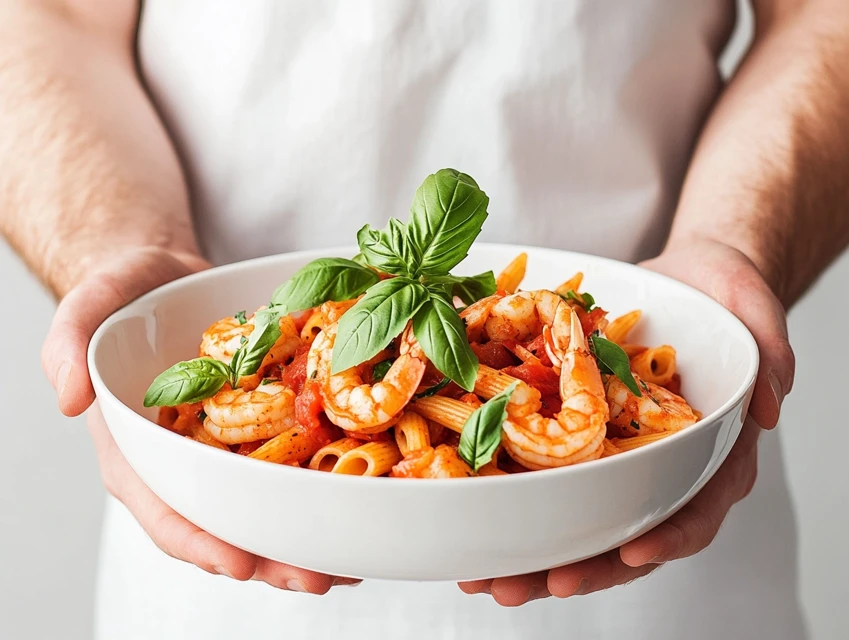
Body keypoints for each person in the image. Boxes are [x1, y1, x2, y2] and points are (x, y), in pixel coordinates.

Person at [2, 0, 848, 638]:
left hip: (656, 547)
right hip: (220, 561)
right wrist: (122, 248)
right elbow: (47, 17)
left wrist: (730, 241)